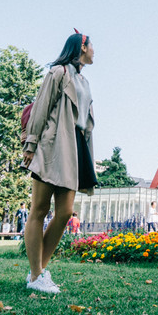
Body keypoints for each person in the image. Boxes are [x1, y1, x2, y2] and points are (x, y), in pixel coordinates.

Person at [22, 32, 98, 294]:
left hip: (74, 148)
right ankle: (36, 274)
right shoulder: (58, 73)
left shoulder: (85, 82)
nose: (95, 51)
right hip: (52, 144)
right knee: (39, 209)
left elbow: (86, 122)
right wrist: (30, 144)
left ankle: (37, 273)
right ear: (82, 47)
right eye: (92, 46)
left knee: (65, 213)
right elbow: (42, 107)